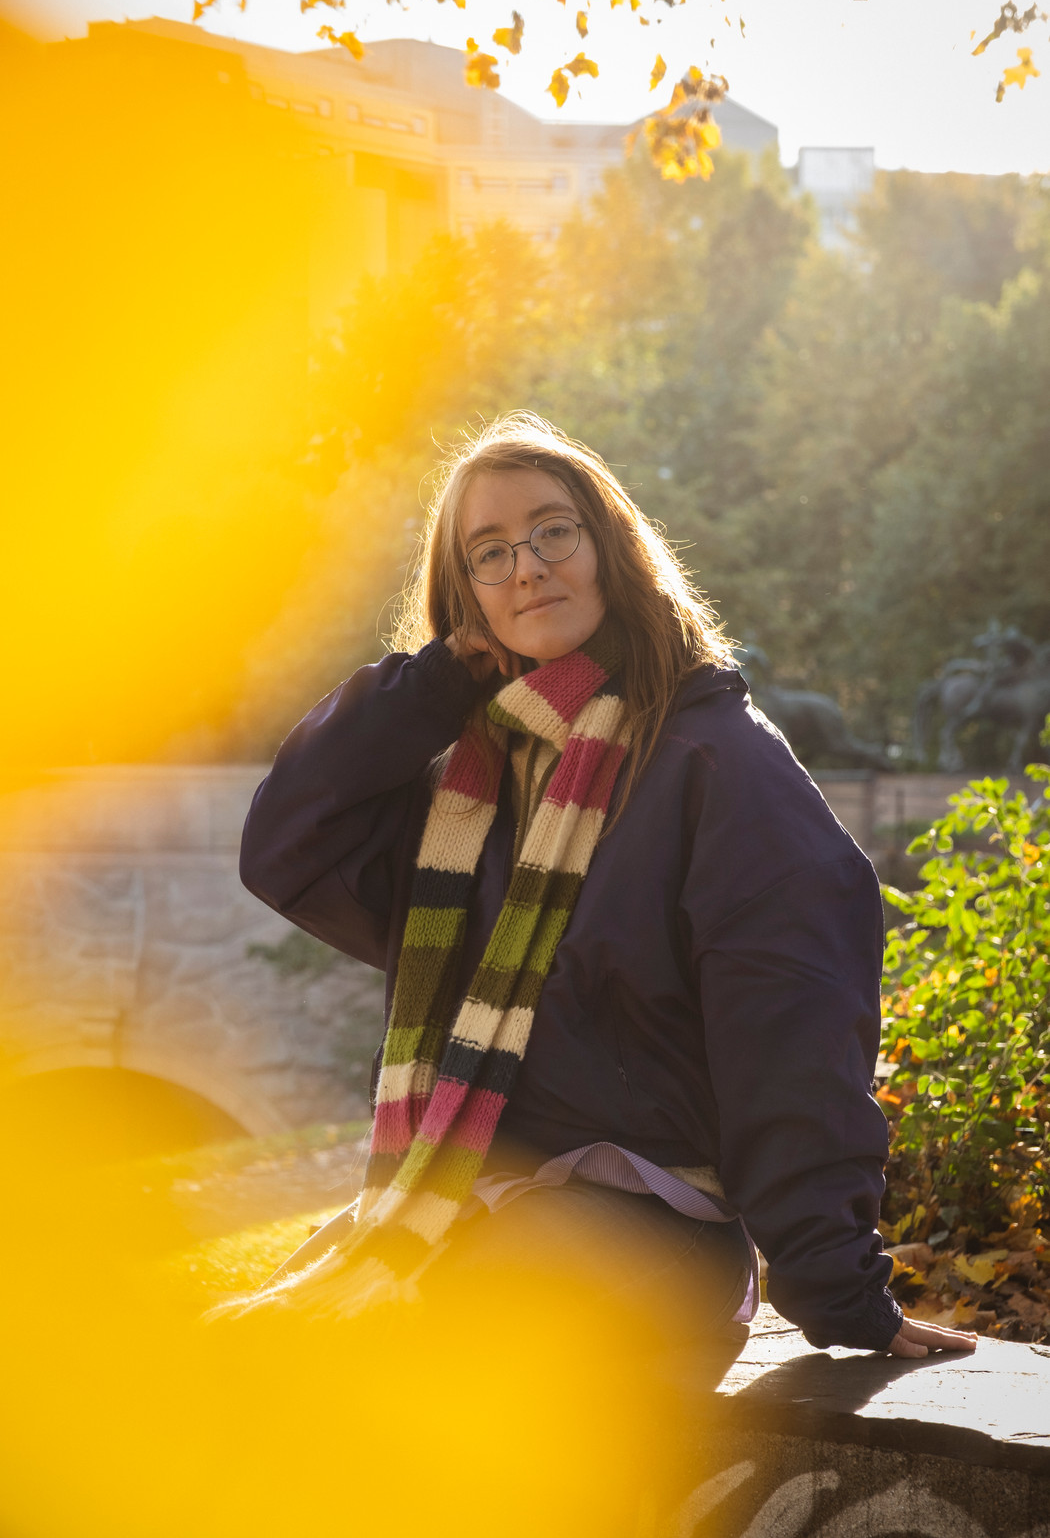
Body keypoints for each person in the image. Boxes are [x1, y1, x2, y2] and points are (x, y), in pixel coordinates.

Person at [237, 412, 975, 1368]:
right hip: (465, 1203)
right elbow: (287, 844)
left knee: (380, 1367)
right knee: (232, 1362)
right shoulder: (465, 787)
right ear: (467, 595)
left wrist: (839, 1285)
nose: (528, 568)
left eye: (553, 531)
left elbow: (792, 1029)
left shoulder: (718, 763)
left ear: (608, 546)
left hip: (654, 1227)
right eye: (490, 552)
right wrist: (436, 683)